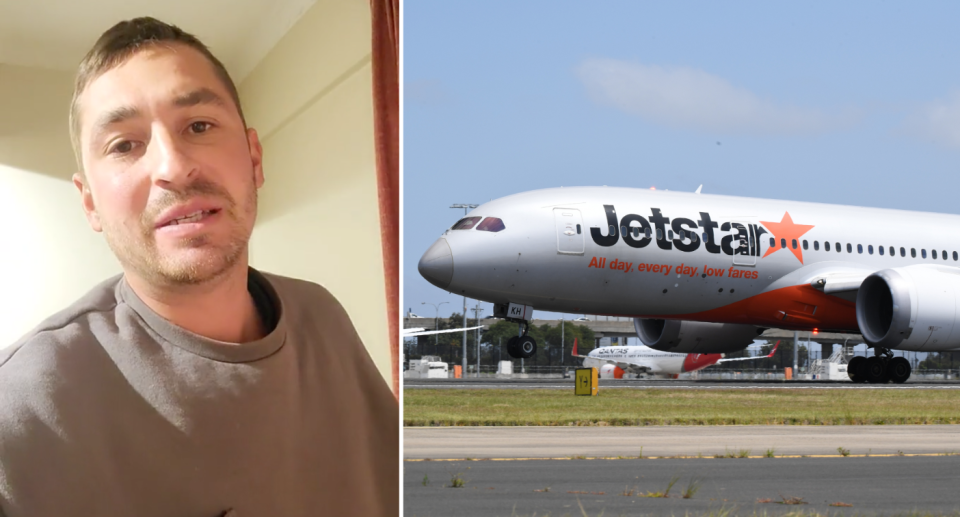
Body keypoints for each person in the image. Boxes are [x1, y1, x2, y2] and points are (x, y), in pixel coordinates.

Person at [0, 17, 398, 516]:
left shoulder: (320, 314)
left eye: (199, 126)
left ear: (253, 158)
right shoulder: (23, 409)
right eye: (124, 144)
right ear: (90, 204)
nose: (172, 167)